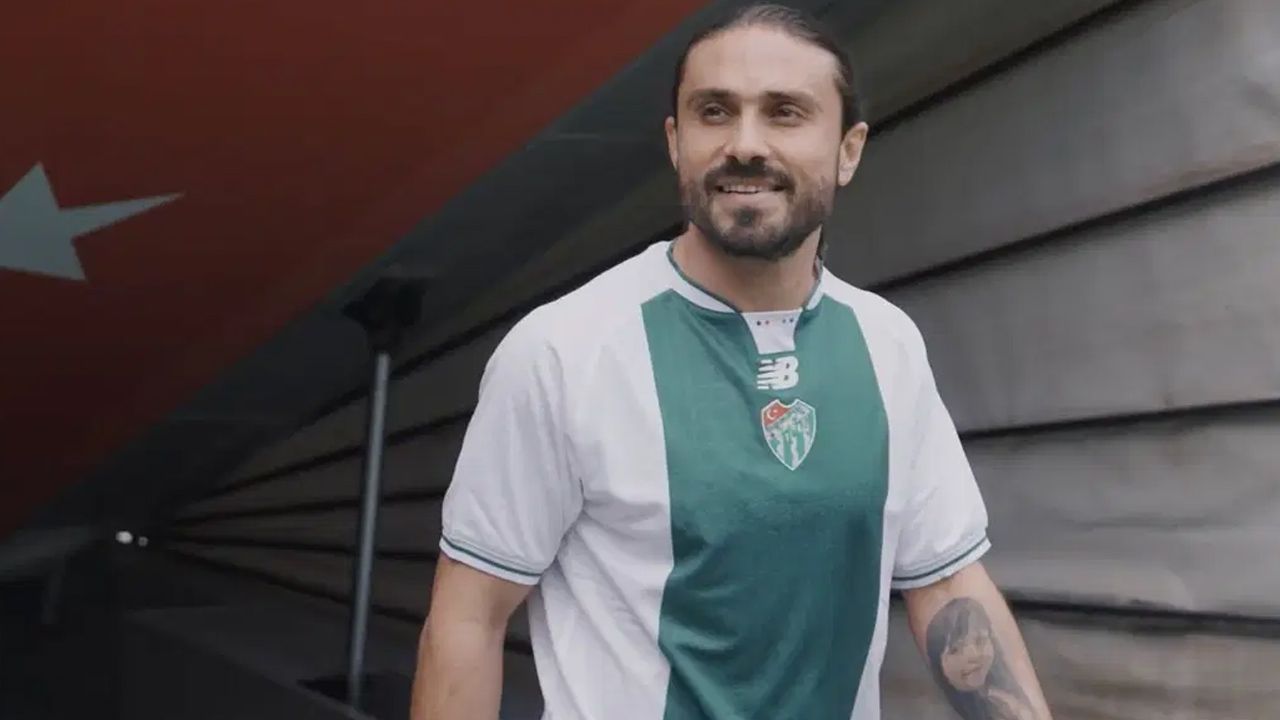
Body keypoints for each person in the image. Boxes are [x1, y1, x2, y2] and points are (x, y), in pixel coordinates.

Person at [411, 4, 1053, 719]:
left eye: (785, 113)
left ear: (848, 150)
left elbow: (949, 587)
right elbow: (468, 619)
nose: (745, 144)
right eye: (714, 112)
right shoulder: (562, 350)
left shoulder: (888, 344)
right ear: (675, 142)